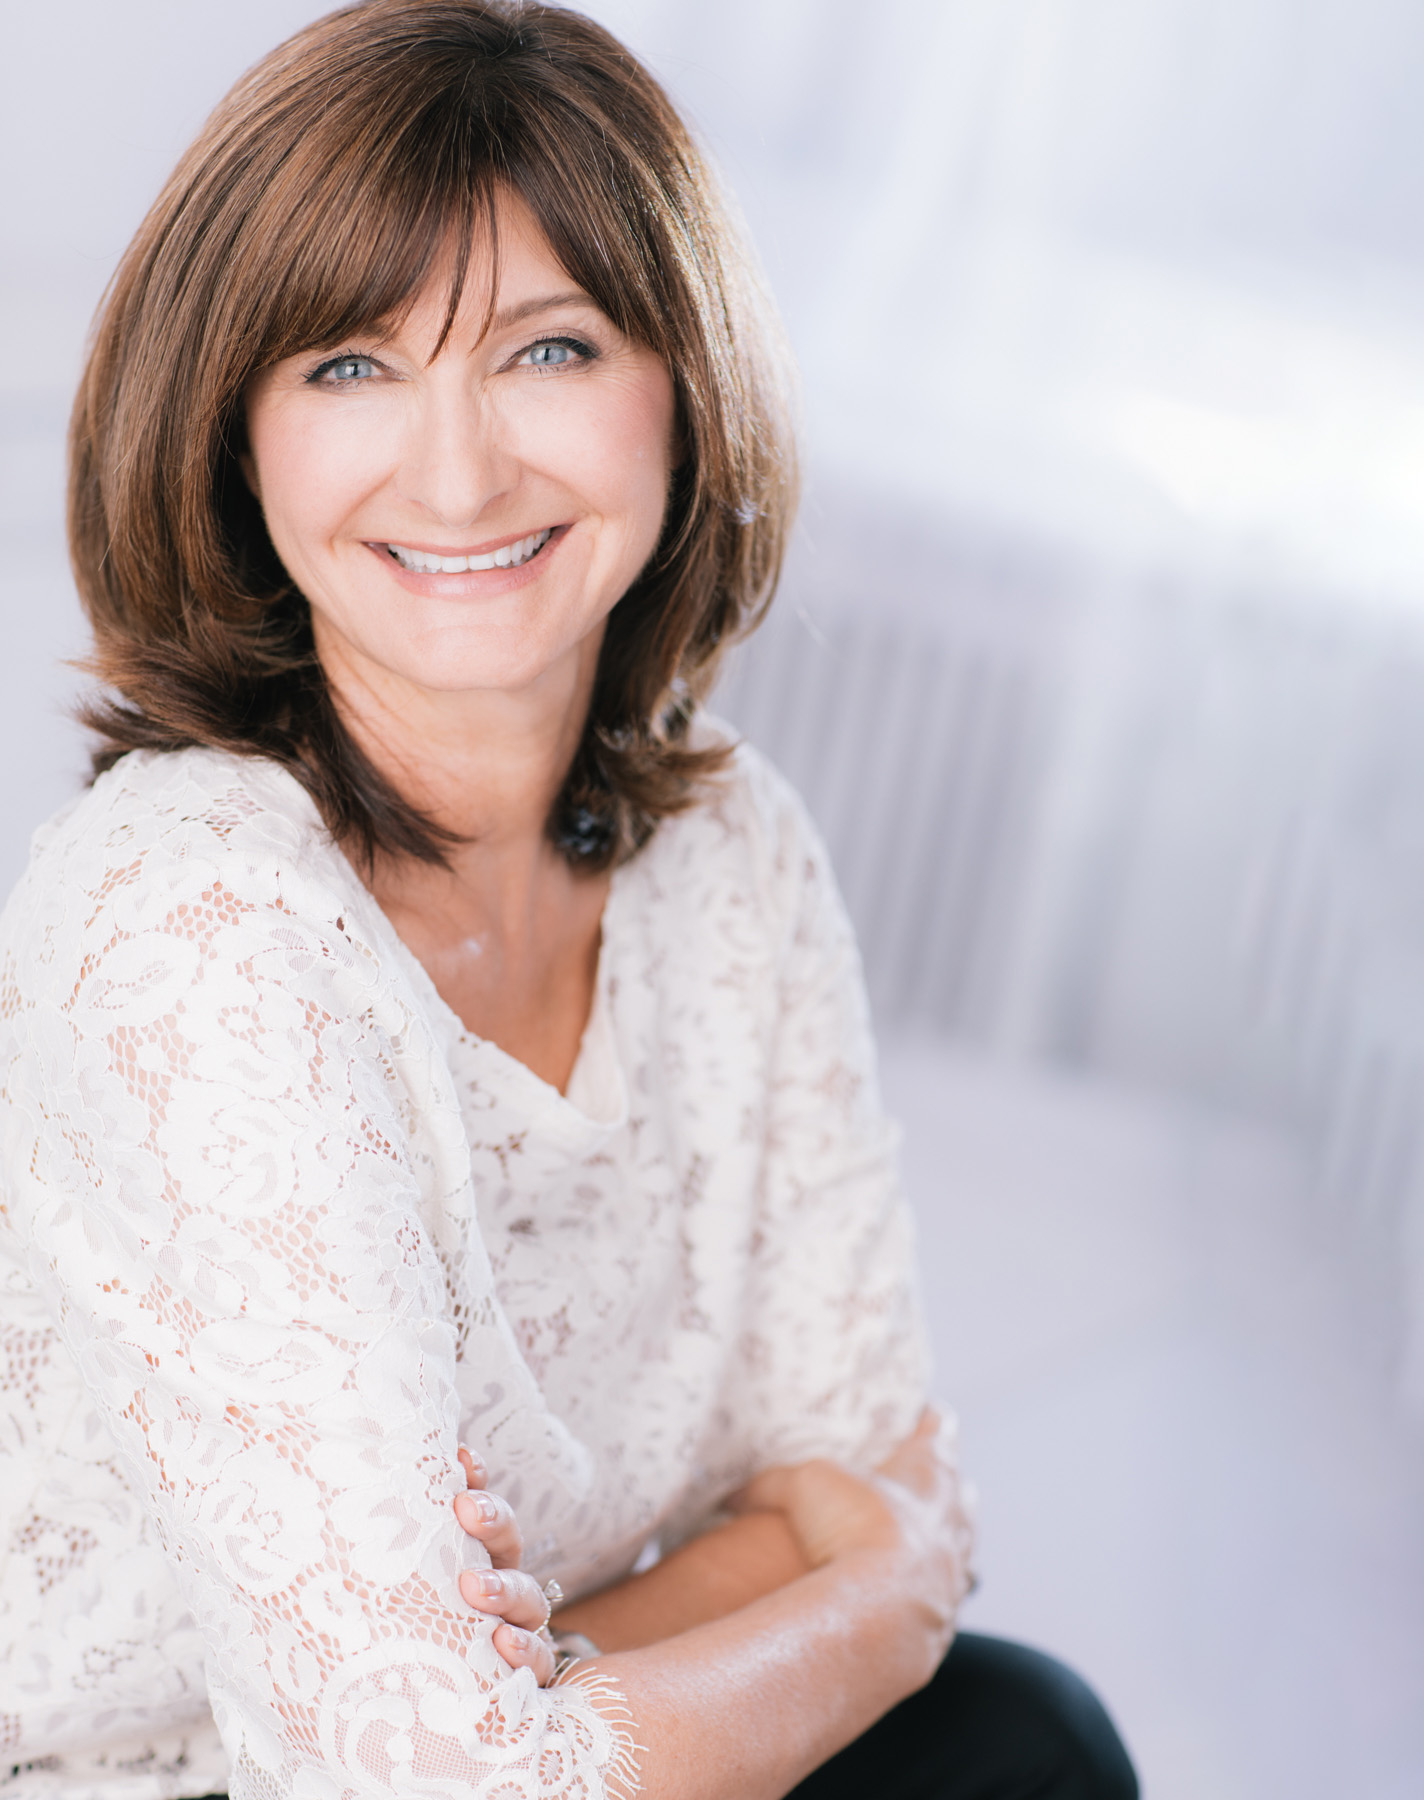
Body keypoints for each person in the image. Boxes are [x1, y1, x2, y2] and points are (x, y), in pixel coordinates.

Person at [0, 4, 1139, 1797]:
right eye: (351, 367)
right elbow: (857, 1551)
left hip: (509, 1737)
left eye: (548, 349)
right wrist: (885, 1596)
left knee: (1021, 1742)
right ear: (235, 436)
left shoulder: (729, 848)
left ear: (682, 385)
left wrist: (520, 1686)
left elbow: (859, 1463)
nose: (458, 474)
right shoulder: (193, 923)